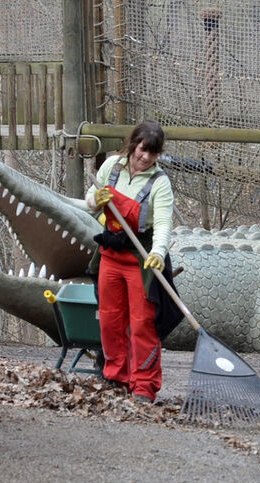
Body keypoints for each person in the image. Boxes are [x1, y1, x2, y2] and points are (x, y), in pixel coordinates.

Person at [85, 121, 177, 404]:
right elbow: (90, 199)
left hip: (141, 258)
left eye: (152, 152)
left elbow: (162, 223)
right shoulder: (111, 167)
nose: (146, 157)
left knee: (141, 324)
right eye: (142, 149)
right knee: (111, 321)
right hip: (111, 253)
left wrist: (158, 253)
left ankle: (143, 387)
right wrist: (94, 200)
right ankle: (115, 378)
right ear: (133, 144)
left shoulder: (160, 183)